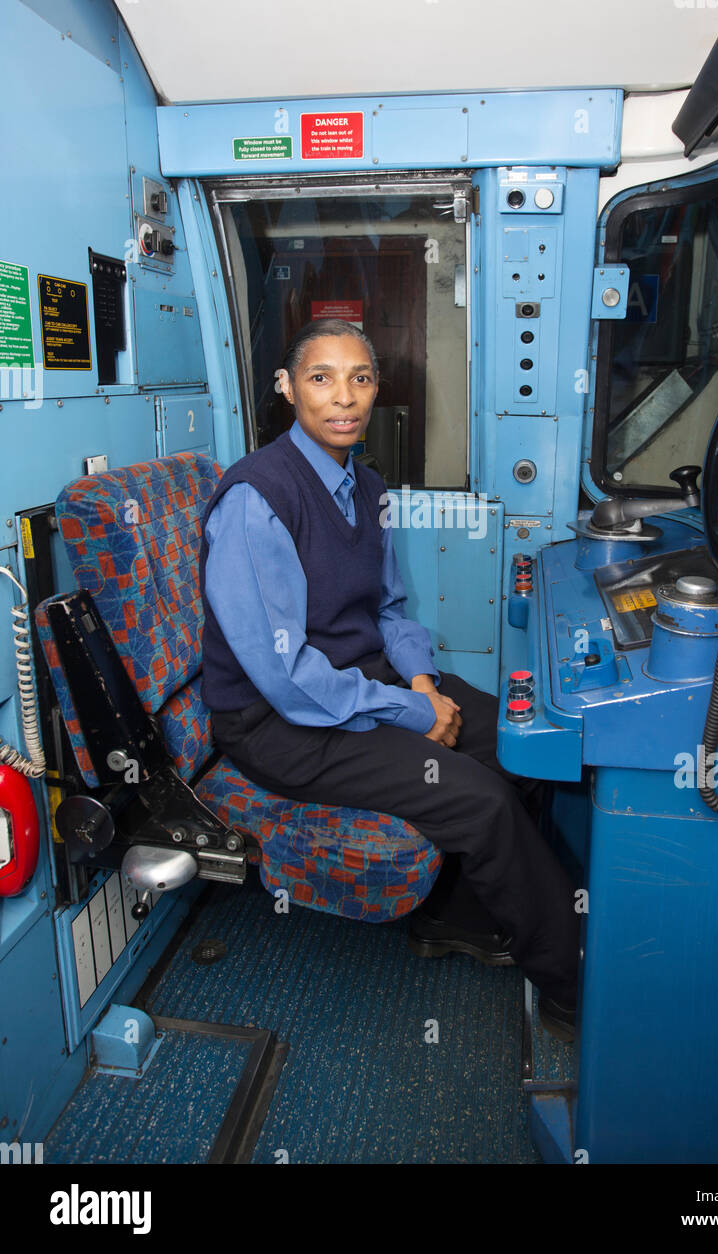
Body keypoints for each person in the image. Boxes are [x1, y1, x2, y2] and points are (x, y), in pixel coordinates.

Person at [199, 318, 580, 1041]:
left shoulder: (365, 484)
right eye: (320, 378)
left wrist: (424, 684)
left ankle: (455, 919)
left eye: (361, 378)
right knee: (481, 802)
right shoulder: (256, 500)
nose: (343, 397)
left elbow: (389, 609)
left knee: (525, 738)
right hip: (279, 724)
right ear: (285, 390)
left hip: (363, 682)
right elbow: (284, 676)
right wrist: (408, 714)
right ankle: (569, 983)